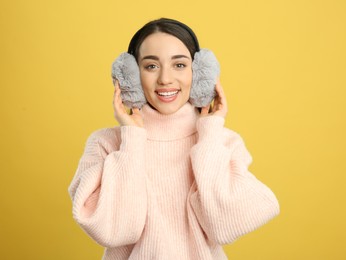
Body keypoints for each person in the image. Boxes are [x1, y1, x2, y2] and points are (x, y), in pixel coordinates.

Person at [68, 18, 280, 260]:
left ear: (200, 74)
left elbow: (223, 226)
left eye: (179, 65)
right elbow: (116, 230)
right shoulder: (105, 144)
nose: (165, 79)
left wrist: (209, 133)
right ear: (132, 76)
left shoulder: (222, 142)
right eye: (151, 66)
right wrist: (132, 139)